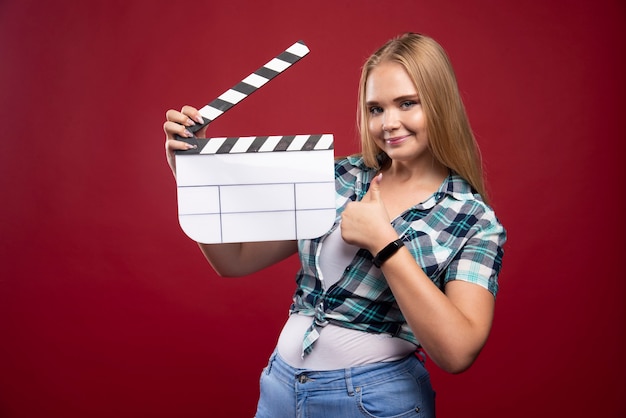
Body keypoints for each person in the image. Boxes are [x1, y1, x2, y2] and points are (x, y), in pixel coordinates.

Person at [163, 32, 506, 418]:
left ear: (440, 104)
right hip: (280, 390)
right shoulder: (336, 177)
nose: (389, 123)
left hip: (372, 403)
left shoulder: (474, 219)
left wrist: (384, 242)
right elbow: (235, 261)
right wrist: (194, 175)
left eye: (407, 104)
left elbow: (458, 351)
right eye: (376, 109)